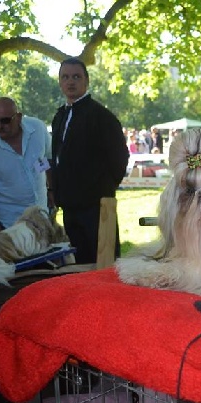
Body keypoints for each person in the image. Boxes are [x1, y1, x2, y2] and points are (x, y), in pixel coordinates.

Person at [50, 57, 129, 264]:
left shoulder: (101, 116)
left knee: (104, 262)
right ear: (59, 81)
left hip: (97, 205)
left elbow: (120, 157)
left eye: (76, 76)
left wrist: (103, 188)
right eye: (65, 77)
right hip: (69, 204)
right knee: (80, 262)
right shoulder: (60, 116)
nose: (70, 82)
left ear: (86, 80)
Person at [0, 97, 52, 233]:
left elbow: (45, 160)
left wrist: (51, 190)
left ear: (18, 117)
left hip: (43, 219)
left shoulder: (38, 129)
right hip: (9, 225)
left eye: (5, 121)